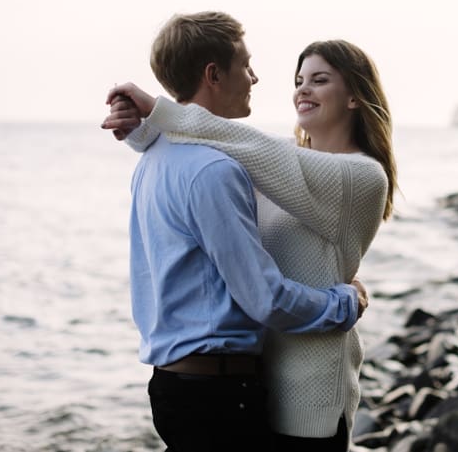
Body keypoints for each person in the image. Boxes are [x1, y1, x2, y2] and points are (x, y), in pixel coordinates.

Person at [103, 38, 397, 451]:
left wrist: (160, 111)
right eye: (299, 80)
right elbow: (213, 151)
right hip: (253, 386)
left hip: (308, 398)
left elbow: (248, 145)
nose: (302, 89)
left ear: (354, 97)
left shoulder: (361, 177)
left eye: (320, 79)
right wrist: (144, 130)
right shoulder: (282, 165)